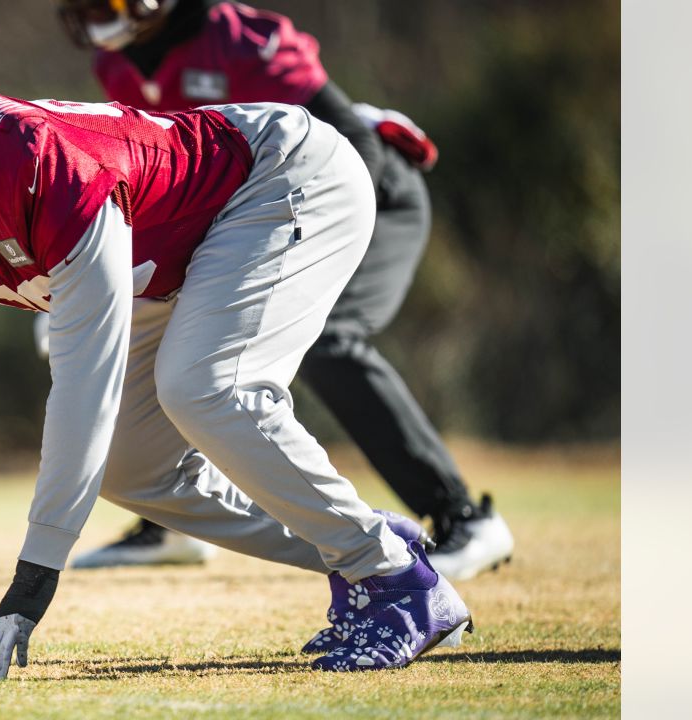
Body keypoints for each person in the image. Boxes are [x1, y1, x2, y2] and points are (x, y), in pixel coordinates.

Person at [0, 44, 472, 677]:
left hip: (281, 175)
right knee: (128, 466)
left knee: (207, 388)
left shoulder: (42, 172)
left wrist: (36, 575)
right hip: (176, 251)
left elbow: (87, 388)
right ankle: (366, 544)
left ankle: (399, 583)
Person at [53, 0, 513, 580]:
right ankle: (170, 523)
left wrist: (302, 254)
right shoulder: (115, 63)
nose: (94, 11)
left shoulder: (241, 42)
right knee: (166, 333)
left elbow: (353, 142)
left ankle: (462, 516)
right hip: (239, 217)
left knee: (330, 342)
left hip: (360, 189)